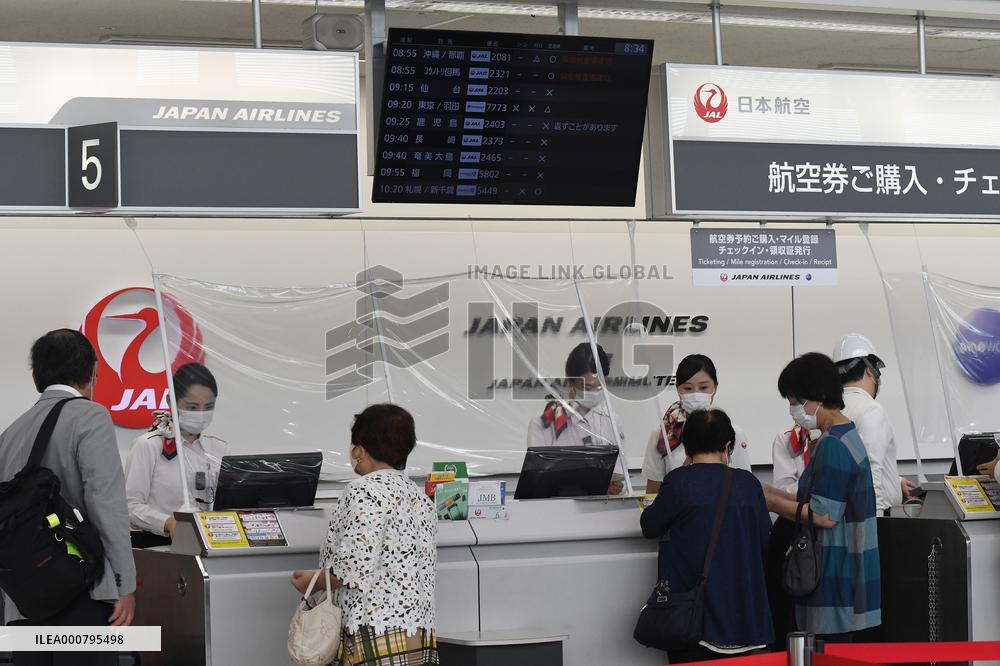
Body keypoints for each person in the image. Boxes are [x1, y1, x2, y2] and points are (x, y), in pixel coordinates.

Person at [0, 329, 136, 666]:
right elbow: (107, 505)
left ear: (37, 375)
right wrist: (123, 584)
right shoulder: (90, 416)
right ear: (92, 371)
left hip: (24, 597)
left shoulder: (10, 433)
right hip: (80, 590)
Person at [292, 404, 437, 666]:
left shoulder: (363, 490)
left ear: (359, 449)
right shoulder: (419, 497)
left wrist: (313, 581)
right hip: (418, 630)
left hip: (372, 630)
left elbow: (354, 569)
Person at [640, 408, 773, 663]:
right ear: (727, 446)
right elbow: (764, 540)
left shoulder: (679, 481)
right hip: (745, 617)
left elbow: (650, 526)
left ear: (687, 448)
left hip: (693, 619)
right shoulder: (749, 484)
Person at [764, 353, 881, 641]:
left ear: (816, 397)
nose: (793, 410)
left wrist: (772, 502)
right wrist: (771, 491)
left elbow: (825, 516)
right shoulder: (843, 435)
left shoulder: (834, 445)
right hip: (842, 576)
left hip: (833, 580)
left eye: (794, 401)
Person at [124, 363, 227, 547]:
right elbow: (129, 506)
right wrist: (167, 522)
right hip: (158, 546)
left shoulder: (217, 449)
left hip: (210, 545)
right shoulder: (149, 446)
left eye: (208, 406)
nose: (201, 414)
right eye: (193, 407)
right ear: (172, 400)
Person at [526, 342, 627, 495]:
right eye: (586, 387)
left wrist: (617, 486)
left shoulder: (612, 420)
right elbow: (537, 481)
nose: (594, 392)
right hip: (560, 511)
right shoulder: (544, 423)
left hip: (605, 511)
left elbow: (621, 473)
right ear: (570, 380)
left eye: (599, 386)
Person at [643, 354, 751, 494]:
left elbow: (744, 484)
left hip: (723, 511)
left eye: (703, 387)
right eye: (688, 388)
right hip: (677, 511)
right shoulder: (663, 433)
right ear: (677, 389)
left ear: (715, 387)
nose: (696, 394)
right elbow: (653, 489)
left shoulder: (732, 432)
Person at [833, 333, 911, 515]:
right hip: (869, 517)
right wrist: (875, 524)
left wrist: (895, 480)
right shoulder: (871, 409)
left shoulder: (831, 410)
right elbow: (870, 471)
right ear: (870, 371)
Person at [771, 423, 820, 495]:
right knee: (768, 493)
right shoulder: (788, 437)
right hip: (799, 500)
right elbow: (782, 489)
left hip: (833, 501)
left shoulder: (838, 437)